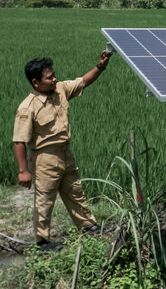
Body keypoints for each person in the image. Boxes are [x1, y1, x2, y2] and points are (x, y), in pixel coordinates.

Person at [13, 50, 112, 250]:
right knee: (45, 200)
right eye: (49, 77)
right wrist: (23, 171)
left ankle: (88, 226)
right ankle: (42, 242)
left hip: (65, 152)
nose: (54, 79)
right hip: (44, 158)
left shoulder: (60, 90)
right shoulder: (28, 107)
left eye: (54, 74)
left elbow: (83, 81)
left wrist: (100, 66)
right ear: (36, 82)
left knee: (75, 190)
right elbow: (18, 141)